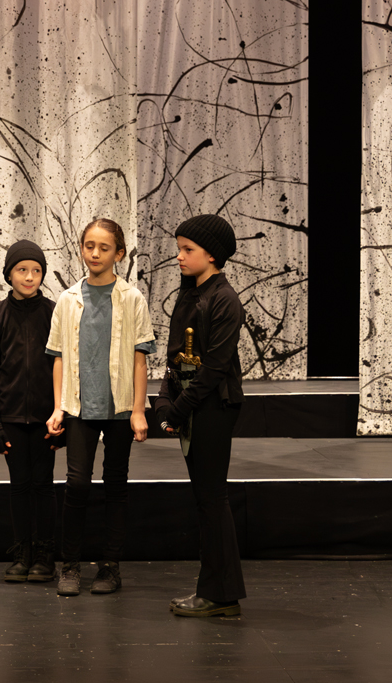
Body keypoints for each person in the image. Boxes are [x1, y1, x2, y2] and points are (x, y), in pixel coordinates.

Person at [45, 218, 156, 597]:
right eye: (89, 246)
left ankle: (110, 565)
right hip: (79, 406)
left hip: (120, 407)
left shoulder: (132, 298)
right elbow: (58, 356)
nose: (94, 253)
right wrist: (59, 407)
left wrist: (138, 410)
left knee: (115, 483)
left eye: (104, 248)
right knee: (76, 484)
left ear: (119, 254)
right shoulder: (67, 299)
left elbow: (140, 358)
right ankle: (70, 564)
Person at [155, 214, 247, 618]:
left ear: (212, 254)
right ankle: (217, 591)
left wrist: (176, 410)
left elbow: (214, 369)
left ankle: (220, 594)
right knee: (206, 500)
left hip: (213, 406)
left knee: (212, 499)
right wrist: (164, 399)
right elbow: (176, 357)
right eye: (179, 248)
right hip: (195, 404)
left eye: (187, 249)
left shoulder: (224, 299)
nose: (179, 256)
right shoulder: (191, 293)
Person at [0, 238, 58, 584]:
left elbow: (67, 368)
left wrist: (64, 416)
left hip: (46, 419)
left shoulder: (54, 313)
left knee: (43, 484)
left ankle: (44, 555)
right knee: (19, 484)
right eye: (22, 270)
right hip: (11, 419)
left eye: (36, 270)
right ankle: (22, 553)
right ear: (9, 274)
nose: (29, 277)